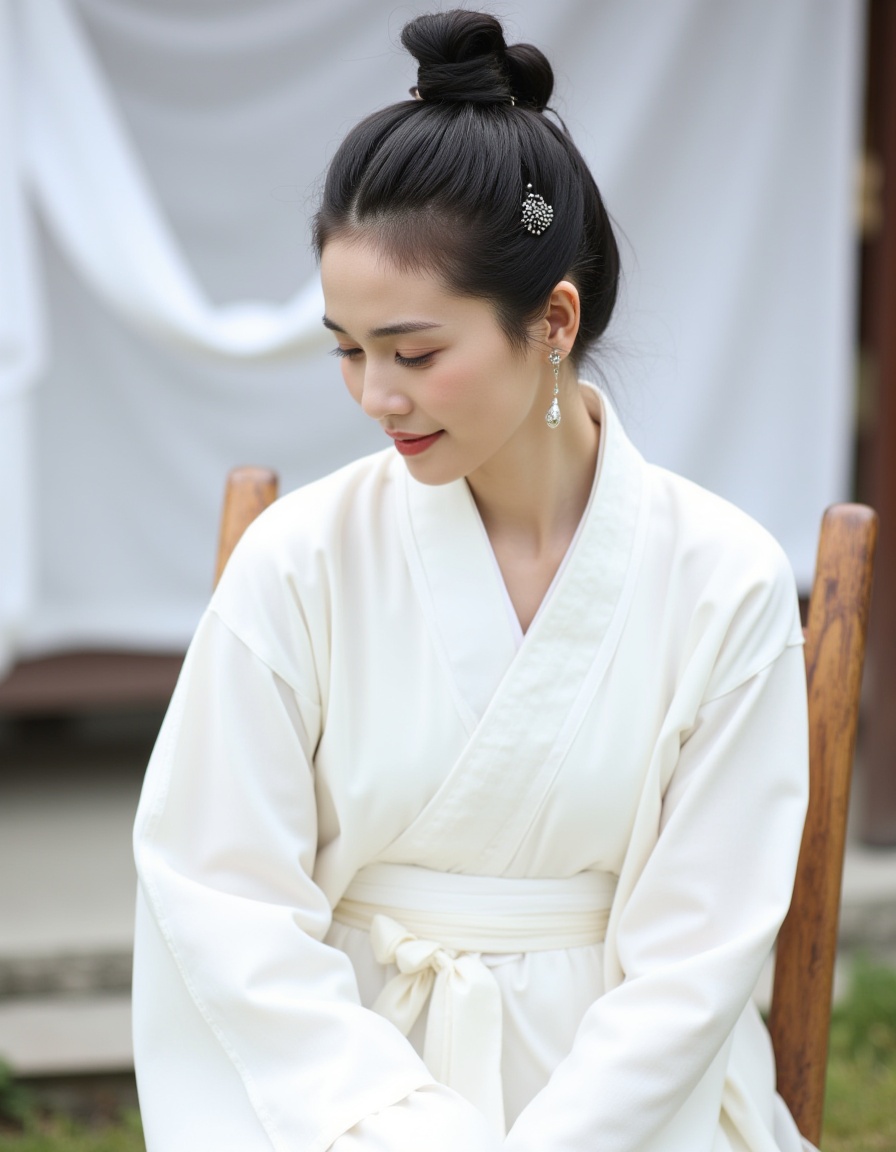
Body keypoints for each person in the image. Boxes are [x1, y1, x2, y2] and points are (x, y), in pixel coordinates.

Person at [132, 11, 811, 1151]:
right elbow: (220, 893)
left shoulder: (721, 580)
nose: (373, 396)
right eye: (346, 348)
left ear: (552, 319)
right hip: (338, 1094)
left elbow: (695, 958)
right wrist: (394, 1125)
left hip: (630, 1106)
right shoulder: (300, 559)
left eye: (413, 351)